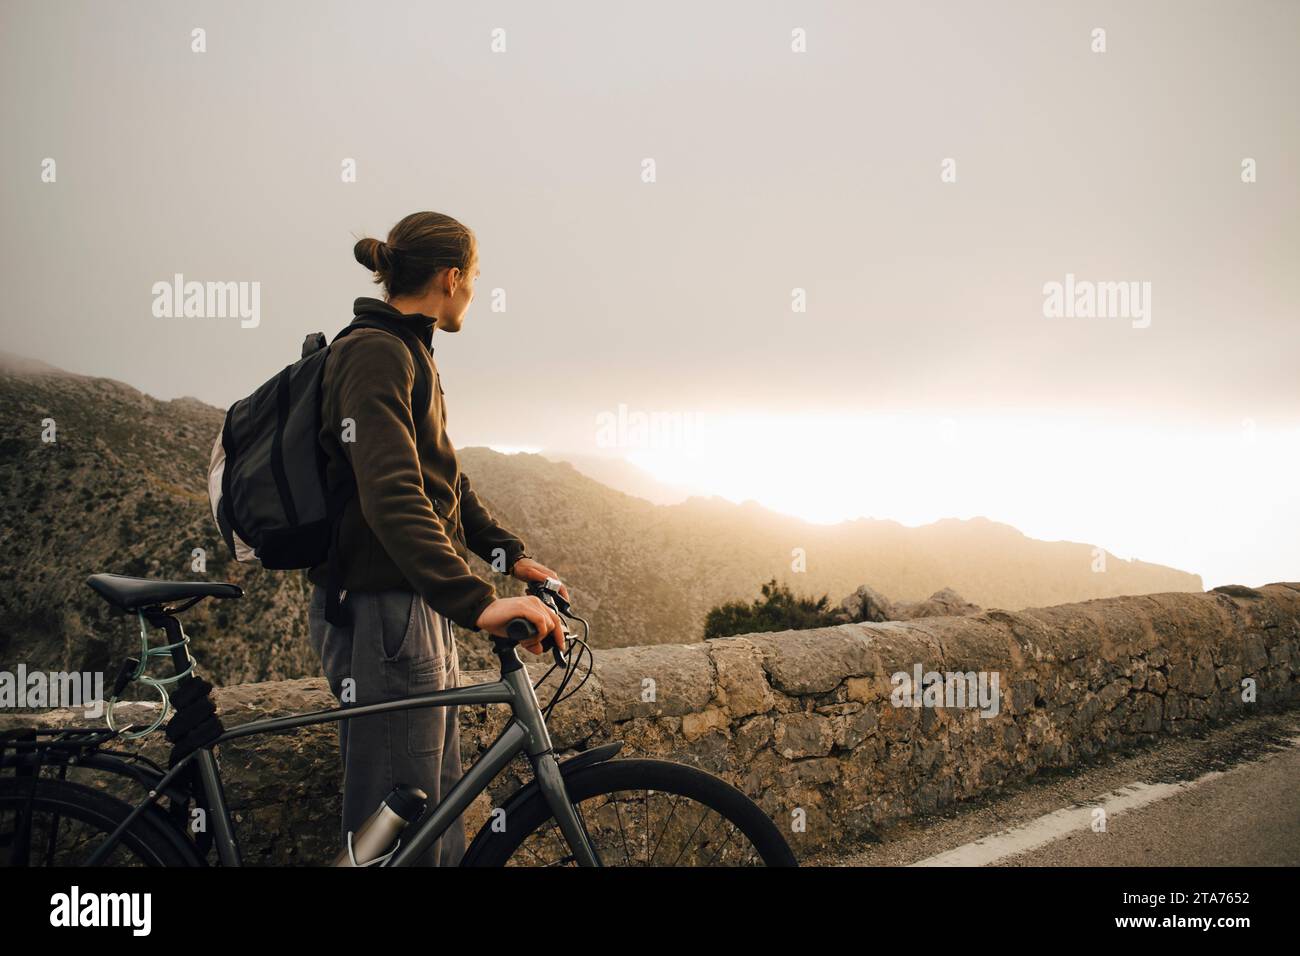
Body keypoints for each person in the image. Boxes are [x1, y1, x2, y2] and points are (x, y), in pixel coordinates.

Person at [307, 210, 567, 866]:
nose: (475, 291)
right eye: (475, 277)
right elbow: (392, 496)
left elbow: (441, 479)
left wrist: (511, 556)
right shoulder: (375, 354)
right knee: (399, 827)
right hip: (387, 610)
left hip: (411, 603)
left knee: (428, 806)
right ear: (452, 277)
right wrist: (478, 601)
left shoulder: (405, 349)